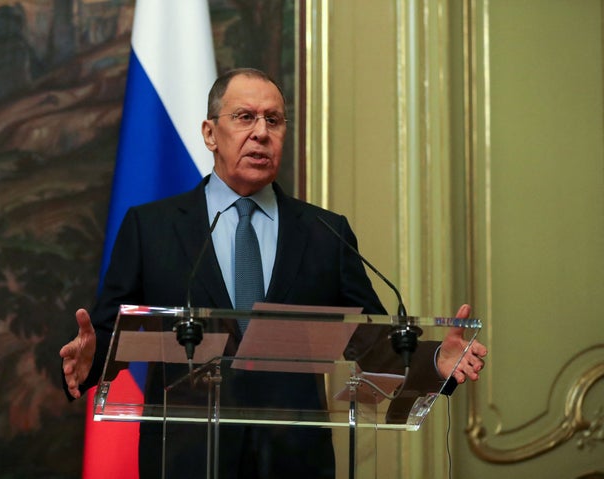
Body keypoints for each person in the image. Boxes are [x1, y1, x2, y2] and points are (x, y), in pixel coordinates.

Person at [60, 68, 487, 478]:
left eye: (274, 120)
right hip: (186, 459)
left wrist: (435, 359)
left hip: (294, 461)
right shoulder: (151, 227)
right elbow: (109, 332)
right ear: (210, 133)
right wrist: (89, 360)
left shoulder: (325, 232)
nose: (261, 132)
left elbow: (370, 340)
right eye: (245, 117)